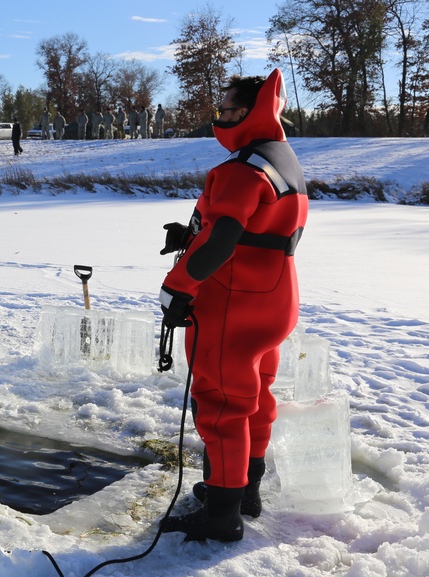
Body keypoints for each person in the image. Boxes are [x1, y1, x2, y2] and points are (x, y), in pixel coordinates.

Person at [157, 69, 308, 542]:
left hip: (233, 301)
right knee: (257, 396)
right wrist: (191, 236)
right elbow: (254, 229)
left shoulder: (241, 169)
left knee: (222, 404)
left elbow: (223, 238)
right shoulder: (280, 158)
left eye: (227, 110)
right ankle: (245, 490)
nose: (219, 117)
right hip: (275, 297)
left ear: (253, 111)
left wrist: (178, 287)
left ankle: (221, 514)